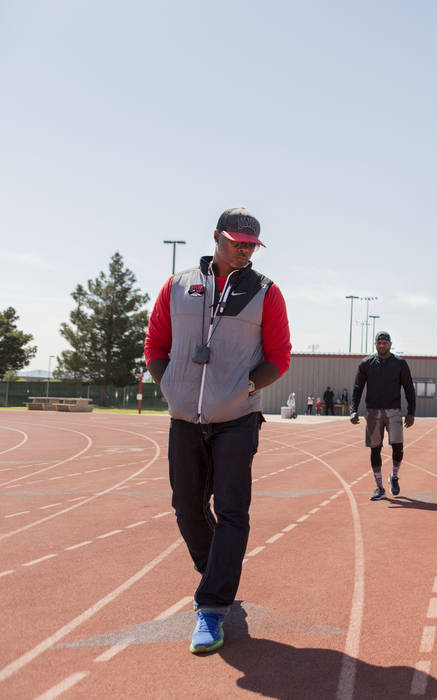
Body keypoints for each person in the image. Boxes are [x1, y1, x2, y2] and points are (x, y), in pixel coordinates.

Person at [143, 207, 291, 653]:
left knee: (231, 511)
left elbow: (278, 357)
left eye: (251, 245)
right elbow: (156, 343)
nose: (244, 250)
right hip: (184, 417)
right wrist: (168, 384)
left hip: (237, 420)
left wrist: (244, 387)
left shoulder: (266, 292)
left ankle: (212, 604)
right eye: (236, 242)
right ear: (216, 237)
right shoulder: (177, 286)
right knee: (186, 508)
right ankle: (214, 570)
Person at [350, 331, 416, 500]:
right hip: (373, 412)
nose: (382, 346)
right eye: (379, 343)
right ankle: (379, 487)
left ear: (390, 344)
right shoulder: (366, 363)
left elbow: (409, 388)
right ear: (375, 344)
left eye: (385, 343)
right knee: (375, 449)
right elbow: (358, 387)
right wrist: (353, 409)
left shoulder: (400, 364)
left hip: (394, 411)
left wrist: (411, 412)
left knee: (398, 448)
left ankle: (394, 477)